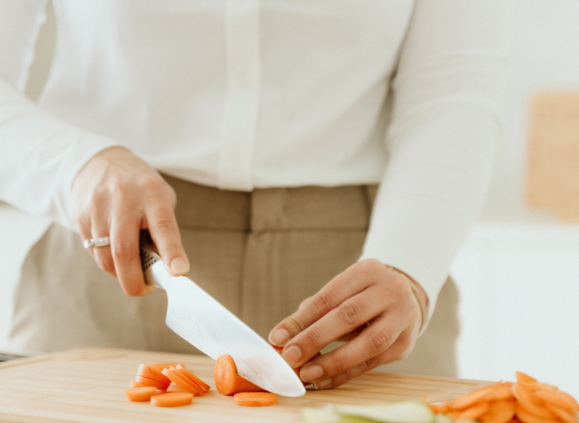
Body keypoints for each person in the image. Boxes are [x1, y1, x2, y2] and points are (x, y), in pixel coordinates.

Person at [0, 0, 512, 388]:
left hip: (361, 276)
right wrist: (75, 166)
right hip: (115, 253)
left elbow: (455, 87)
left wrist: (409, 264)